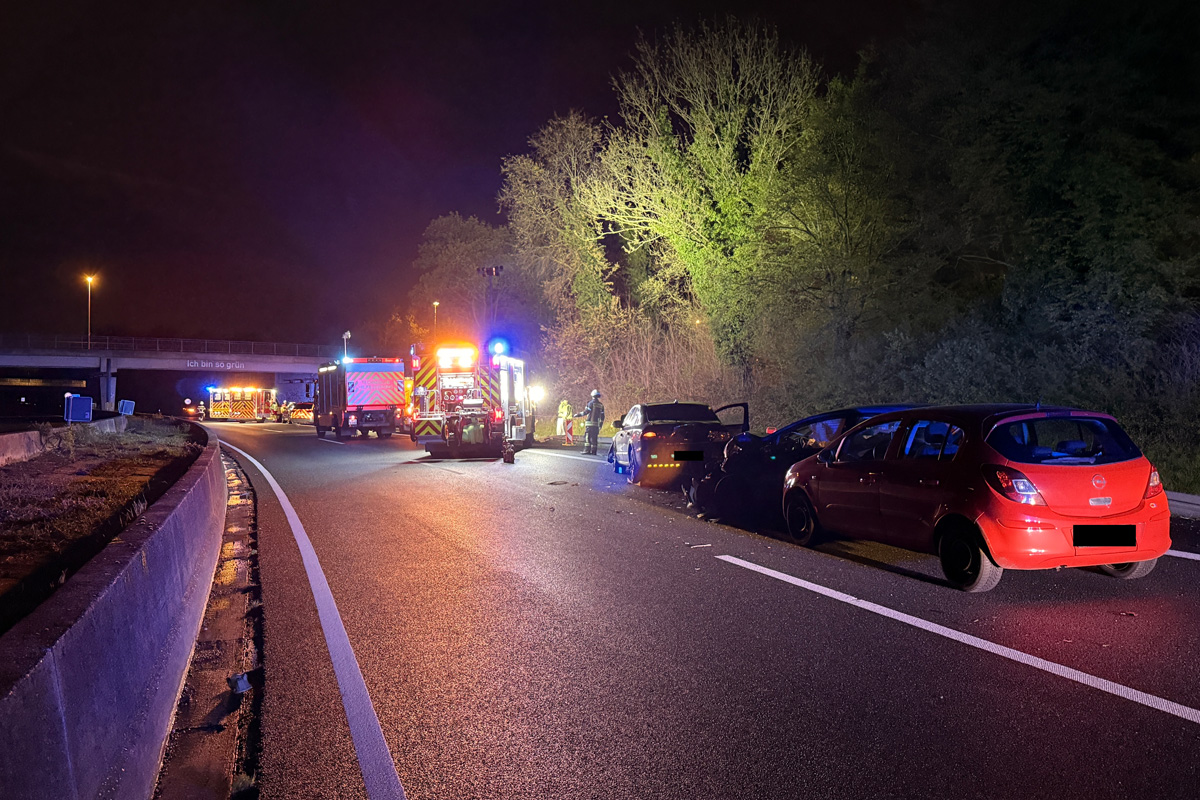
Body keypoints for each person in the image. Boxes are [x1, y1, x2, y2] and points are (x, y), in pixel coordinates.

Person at [573, 389, 605, 455]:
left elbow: (586, 412)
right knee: (594, 438)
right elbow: (602, 416)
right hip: (596, 425)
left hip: (590, 424)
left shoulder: (591, 403)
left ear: (592, 395)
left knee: (587, 437)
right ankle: (594, 451)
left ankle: (587, 450)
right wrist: (601, 424)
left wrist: (577, 415)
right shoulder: (601, 405)